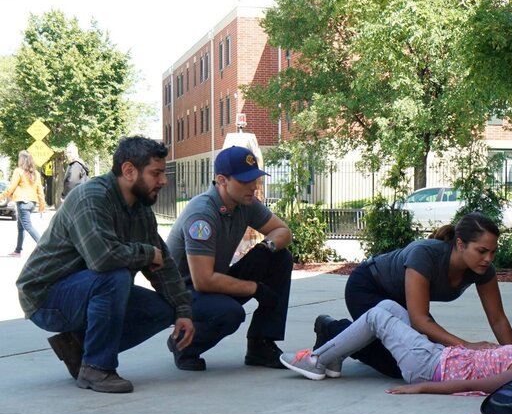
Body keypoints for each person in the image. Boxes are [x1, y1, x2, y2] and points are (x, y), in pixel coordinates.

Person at [16, 136, 195, 393]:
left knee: (163, 309)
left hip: (87, 289)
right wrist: (146, 253)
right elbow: (102, 259)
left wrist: (183, 312)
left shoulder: (140, 209)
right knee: (115, 275)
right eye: (156, 173)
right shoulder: (90, 198)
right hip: (46, 298)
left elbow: (163, 264)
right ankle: (96, 368)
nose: (163, 181)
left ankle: (79, 348)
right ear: (129, 170)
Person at [313, 212, 512, 379]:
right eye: (482, 251)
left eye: (493, 252)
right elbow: (420, 320)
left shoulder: (484, 270)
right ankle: (333, 329)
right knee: (399, 365)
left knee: (428, 354)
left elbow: (497, 318)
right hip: (368, 288)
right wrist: (467, 346)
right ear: (460, 244)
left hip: (401, 301)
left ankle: (350, 338)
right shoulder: (425, 254)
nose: (488, 258)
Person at [165, 146, 293, 371]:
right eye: (245, 181)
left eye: (254, 179)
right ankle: (184, 344)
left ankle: (260, 345)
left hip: (212, 281)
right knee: (230, 313)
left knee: (279, 257)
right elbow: (203, 281)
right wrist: (255, 288)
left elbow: (283, 232)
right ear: (222, 180)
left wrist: (266, 247)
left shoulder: (245, 203)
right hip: (182, 292)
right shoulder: (202, 214)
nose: (253, 186)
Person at [281, 299, 512, 395]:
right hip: (436, 355)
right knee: (389, 306)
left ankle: (317, 360)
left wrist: (420, 388)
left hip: (429, 367)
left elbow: (468, 385)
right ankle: (333, 359)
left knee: (376, 317)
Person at [1, 150, 46, 257]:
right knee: (21, 226)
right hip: (31, 203)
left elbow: (11, 188)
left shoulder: (18, 171)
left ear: (22, 160)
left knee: (27, 226)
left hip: (23, 202)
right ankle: (18, 250)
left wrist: (1, 197)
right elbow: (40, 190)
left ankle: (44, 247)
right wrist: (41, 205)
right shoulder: (36, 173)